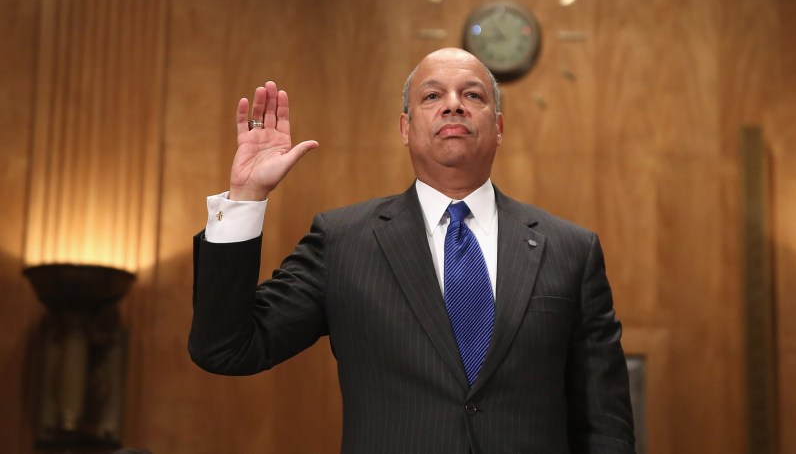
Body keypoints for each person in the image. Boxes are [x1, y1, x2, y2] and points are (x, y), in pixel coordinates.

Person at [189, 48, 635, 454]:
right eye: (432, 96)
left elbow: (605, 424)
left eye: (473, 95)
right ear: (405, 128)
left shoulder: (571, 250)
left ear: (498, 127)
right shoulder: (344, 242)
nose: (454, 104)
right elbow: (228, 348)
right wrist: (246, 197)